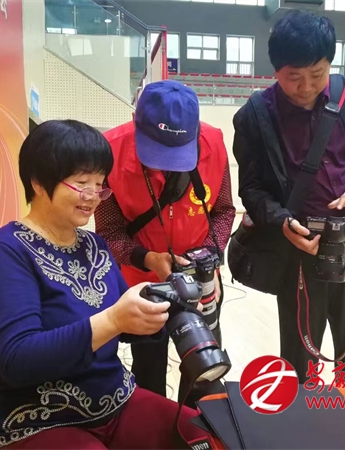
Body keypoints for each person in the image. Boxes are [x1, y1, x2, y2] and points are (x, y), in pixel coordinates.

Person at [0, 120, 212, 449]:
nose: (93, 197)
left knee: (206, 435)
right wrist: (113, 320)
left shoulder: (93, 245)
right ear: (38, 182)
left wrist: (161, 310)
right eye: (82, 183)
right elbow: (17, 359)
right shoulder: (6, 253)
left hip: (114, 401)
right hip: (32, 418)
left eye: (99, 185)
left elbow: (125, 325)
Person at [232, 10, 345, 382]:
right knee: (298, 363)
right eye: (294, 77)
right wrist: (281, 222)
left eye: (317, 74)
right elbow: (252, 189)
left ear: (330, 64)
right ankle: (301, 416)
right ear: (276, 70)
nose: (306, 87)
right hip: (296, 249)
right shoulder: (254, 116)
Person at [95, 80, 236, 407]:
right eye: (158, 153)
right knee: (148, 374)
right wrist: (148, 259)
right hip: (143, 284)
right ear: (136, 122)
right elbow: (109, 233)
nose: (167, 164)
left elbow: (224, 211)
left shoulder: (214, 143)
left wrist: (209, 258)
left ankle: (195, 425)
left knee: (203, 370)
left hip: (201, 283)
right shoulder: (110, 151)